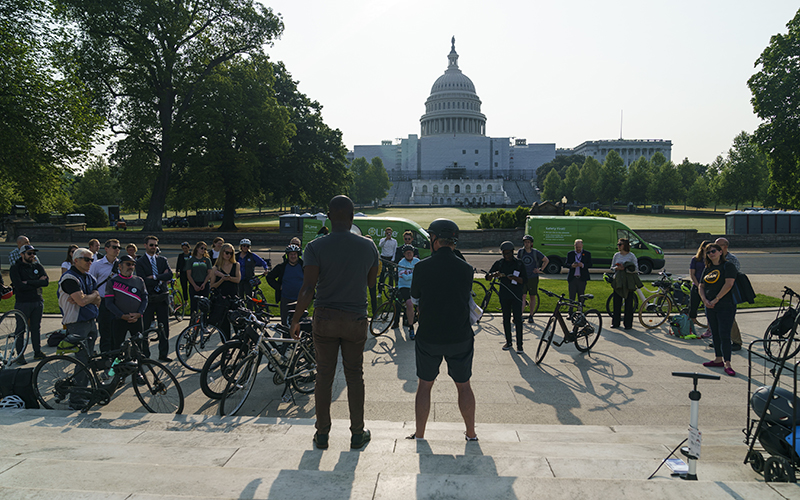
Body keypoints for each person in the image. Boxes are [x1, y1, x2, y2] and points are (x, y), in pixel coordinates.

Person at [289, 195, 378, 451]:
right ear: (352, 218)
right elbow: (371, 283)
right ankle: (357, 433)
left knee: (324, 377)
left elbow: (308, 287)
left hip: (325, 317)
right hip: (355, 318)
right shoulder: (368, 246)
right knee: (354, 377)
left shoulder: (315, 246)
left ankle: (322, 434)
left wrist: (296, 319)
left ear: (328, 216)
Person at [408, 218, 477, 441]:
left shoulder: (421, 267)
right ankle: (471, 433)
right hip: (459, 334)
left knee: (424, 386)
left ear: (434, 240)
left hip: (430, 335)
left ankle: (420, 434)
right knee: (464, 385)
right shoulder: (466, 269)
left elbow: (415, 299)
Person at [57, 247, 101, 410]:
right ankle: (76, 399)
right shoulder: (69, 278)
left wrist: (89, 298)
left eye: (91, 259)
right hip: (76, 323)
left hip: (90, 321)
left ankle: (83, 392)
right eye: (86, 259)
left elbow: (97, 300)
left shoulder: (89, 277)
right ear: (76, 260)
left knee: (88, 360)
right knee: (82, 361)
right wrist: (91, 297)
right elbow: (82, 301)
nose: (90, 262)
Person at [699, 242, 738, 376]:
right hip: (710, 305)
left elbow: (729, 284)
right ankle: (718, 359)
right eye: (708, 252)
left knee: (724, 334)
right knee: (715, 333)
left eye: (713, 251)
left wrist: (716, 299)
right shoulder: (707, 268)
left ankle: (727, 363)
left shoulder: (728, 266)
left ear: (721, 252)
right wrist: (705, 300)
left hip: (725, 305)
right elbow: (701, 285)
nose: (711, 254)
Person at [135, 235, 173, 361]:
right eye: (151, 245)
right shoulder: (140, 262)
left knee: (164, 327)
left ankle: (163, 354)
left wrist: (155, 277)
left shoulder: (162, 260)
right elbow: (143, 280)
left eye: (156, 245)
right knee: (145, 328)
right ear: (145, 245)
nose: (154, 247)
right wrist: (161, 278)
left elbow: (170, 275)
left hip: (162, 298)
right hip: (149, 299)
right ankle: (145, 354)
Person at [9, 244, 48, 363]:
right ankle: (20, 355)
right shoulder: (15, 268)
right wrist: (37, 282)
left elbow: (45, 282)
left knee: (36, 328)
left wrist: (29, 282)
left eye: (33, 253)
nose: (32, 256)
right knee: (21, 329)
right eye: (29, 253)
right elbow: (19, 286)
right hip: (23, 302)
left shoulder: (37, 266)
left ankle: (37, 352)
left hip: (37, 300)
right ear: (22, 254)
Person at [486, 241, 527, 353]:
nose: (506, 256)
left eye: (508, 254)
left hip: (516, 295)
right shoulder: (499, 263)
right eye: (504, 254)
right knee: (506, 319)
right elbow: (487, 277)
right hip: (504, 295)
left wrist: (514, 278)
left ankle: (520, 345)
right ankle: (509, 342)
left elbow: (524, 280)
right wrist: (493, 275)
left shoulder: (519, 264)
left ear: (512, 252)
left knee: (518, 319)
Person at [105, 255, 148, 357]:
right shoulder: (112, 282)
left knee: (138, 347)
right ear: (120, 266)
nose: (131, 267)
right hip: (119, 319)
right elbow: (109, 303)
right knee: (117, 347)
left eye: (133, 264)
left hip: (136, 319)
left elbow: (145, 298)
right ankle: (117, 369)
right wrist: (121, 315)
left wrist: (139, 313)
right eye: (128, 264)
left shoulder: (139, 280)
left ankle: (136, 371)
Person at [89, 239, 121, 354]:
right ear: (106, 249)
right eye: (114, 247)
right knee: (105, 333)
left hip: (118, 303)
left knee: (117, 333)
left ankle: (115, 358)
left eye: (118, 248)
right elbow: (91, 284)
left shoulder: (121, 265)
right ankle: (105, 358)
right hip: (104, 302)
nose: (117, 250)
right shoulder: (97, 265)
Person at [715, 238, 743, 351]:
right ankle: (719, 341)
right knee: (717, 318)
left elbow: (731, 278)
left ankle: (736, 341)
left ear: (725, 246)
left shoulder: (732, 260)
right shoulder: (715, 258)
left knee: (729, 318)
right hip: (715, 291)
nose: (714, 248)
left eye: (717, 246)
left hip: (727, 293)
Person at [266, 244, 304, 325]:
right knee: (285, 324)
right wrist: (278, 287)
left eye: (295, 254)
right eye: (291, 254)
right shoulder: (281, 267)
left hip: (300, 299)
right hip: (286, 299)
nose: (293, 256)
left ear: (298, 255)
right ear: (287, 255)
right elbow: (269, 277)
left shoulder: (304, 266)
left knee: (300, 324)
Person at [209, 243, 241, 336]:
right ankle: (226, 346)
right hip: (221, 300)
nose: (229, 255)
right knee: (223, 325)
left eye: (231, 253)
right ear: (222, 253)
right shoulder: (216, 268)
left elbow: (238, 279)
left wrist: (227, 277)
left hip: (233, 298)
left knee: (238, 324)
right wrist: (222, 279)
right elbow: (212, 286)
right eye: (227, 253)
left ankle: (239, 344)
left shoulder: (236, 265)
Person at [517, 235, 548, 323]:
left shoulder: (535, 252)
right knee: (522, 296)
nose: (526, 244)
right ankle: (519, 316)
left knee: (532, 296)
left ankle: (531, 315)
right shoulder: (521, 252)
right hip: (523, 277)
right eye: (525, 242)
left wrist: (540, 270)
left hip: (532, 277)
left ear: (531, 244)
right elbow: (517, 262)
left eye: (528, 242)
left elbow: (546, 260)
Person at [611, 238, 640, 329]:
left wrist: (626, 269)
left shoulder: (631, 256)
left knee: (628, 303)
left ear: (625, 246)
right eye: (618, 244)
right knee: (616, 302)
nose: (618, 246)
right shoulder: (616, 255)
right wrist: (616, 268)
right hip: (618, 281)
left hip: (628, 281)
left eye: (620, 244)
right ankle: (615, 322)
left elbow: (636, 269)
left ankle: (628, 324)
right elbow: (611, 267)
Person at [397, 244, 420, 339]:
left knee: (421, 306)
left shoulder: (418, 262)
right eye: (407, 253)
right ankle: (411, 328)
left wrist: (412, 273)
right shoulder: (401, 263)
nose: (409, 254)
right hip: (405, 286)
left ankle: (422, 327)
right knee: (409, 304)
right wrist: (415, 273)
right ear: (404, 254)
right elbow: (405, 278)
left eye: (410, 253)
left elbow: (421, 275)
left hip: (415, 286)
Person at [689, 240, 711, 333]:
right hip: (697, 285)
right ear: (702, 248)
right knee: (693, 306)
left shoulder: (711, 259)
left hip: (709, 286)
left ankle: (710, 327)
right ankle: (691, 325)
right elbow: (692, 273)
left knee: (709, 307)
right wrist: (698, 285)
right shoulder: (695, 259)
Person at [566, 239, 592, 314]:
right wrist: (571, 266)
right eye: (577, 247)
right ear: (574, 246)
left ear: (582, 246)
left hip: (582, 278)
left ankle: (579, 312)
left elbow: (590, 264)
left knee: (581, 297)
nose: (578, 249)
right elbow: (566, 264)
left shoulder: (587, 254)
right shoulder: (570, 254)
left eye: (579, 247)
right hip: (573, 278)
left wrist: (583, 265)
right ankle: (570, 312)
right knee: (571, 296)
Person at [186, 241, 213, 313]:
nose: (203, 250)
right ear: (197, 248)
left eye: (205, 249)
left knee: (204, 305)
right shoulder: (191, 260)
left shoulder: (207, 260)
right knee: (194, 304)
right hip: (194, 283)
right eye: (202, 248)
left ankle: (203, 321)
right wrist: (194, 285)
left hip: (204, 284)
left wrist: (204, 283)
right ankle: (193, 320)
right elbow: (188, 274)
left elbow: (209, 273)